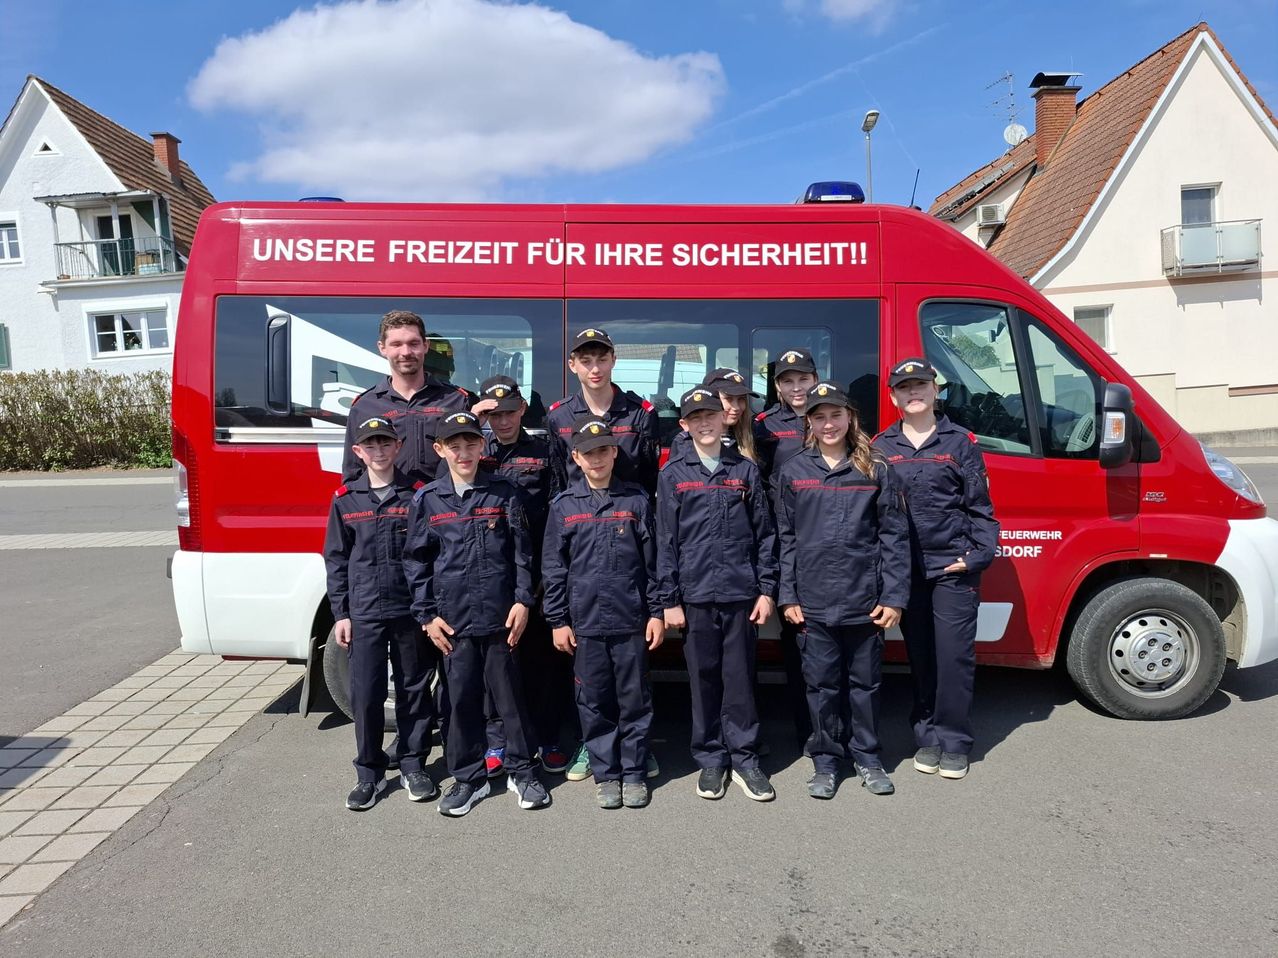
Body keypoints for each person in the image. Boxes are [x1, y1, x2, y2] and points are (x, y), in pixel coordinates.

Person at [403, 411, 550, 816]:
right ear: (440, 450)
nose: (464, 452)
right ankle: (468, 779)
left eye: (471, 444)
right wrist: (426, 616)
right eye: (455, 446)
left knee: (511, 700)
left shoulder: (504, 493)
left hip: (502, 618)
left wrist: (523, 601)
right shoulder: (428, 500)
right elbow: (417, 562)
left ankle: (524, 772)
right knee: (461, 701)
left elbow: (523, 553)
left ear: (482, 446)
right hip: (453, 623)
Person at [776, 382, 910, 800]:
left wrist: (893, 597)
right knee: (821, 687)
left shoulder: (876, 469)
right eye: (819, 417)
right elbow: (785, 538)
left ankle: (868, 758)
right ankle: (826, 761)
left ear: (850, 417)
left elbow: (894, 537)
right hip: (812, 602)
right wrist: (788, 595)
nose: (828, 423)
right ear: (809, 424)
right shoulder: (793, 471)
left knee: (865, 685)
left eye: (835, 414)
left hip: (864, 600)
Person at [873, 358, 999, 781]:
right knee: (920, 657)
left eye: (921, 385)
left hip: (952, 568)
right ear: (893, 396)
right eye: (905, 387)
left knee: (954, 658)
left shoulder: (961, 442)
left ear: (935, 390)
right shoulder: (881, 446)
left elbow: (981, 508)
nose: (914, 393)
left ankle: (955, 741)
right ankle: (926, 736)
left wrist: (978, 555)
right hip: (906, 572)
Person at [658, 387, 778, 801]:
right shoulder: (672, 475)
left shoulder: (744, 472)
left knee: (740, 679)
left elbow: (766, 536)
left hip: (741, 594)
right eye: (697, 417)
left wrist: (766, 590)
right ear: (684, 425)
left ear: (724, 419)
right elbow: (665, 543)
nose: (706, 422)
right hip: (694, 598)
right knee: (704, 679)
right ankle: (711, 759)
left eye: (712, 414)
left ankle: (745, 759)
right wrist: (669, 600)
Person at [542, 416, 664, 810]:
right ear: (575, 457)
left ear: (614, 452)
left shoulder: (636, 501)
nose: (596, 459)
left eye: (603, 451)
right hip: (585, 623)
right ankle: (607, 774)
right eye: (587, 453)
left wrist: (657, 613)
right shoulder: (563, 507)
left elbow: (654, 565)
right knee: (593, 702)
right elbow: (553, 569)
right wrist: (558, 620)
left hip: (631, 621)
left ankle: (632, 773)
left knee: (635, 700)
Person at [322, 416, 439, 811]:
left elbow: (428, 555)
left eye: (385, 444)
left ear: (398, 446)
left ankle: (412, 764)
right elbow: (336, 559)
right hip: (365, 613)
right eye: (370, 445)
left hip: (408, 609)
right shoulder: (345, 498)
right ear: (358, 451)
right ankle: (369, 774)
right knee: (367, 695)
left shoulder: (417, 495)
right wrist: (341, 613)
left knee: (413, 690)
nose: (378, 451)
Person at [472, 375, 573, 776]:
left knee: (543, 663)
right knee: (496, 665)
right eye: (493, 414)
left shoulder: (546, 451)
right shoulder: (474, 451)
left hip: (538, 575)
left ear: (521, 410)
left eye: (509, 411)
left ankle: (547, 738)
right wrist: (470, 417)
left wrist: (549, 574)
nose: (502, 420)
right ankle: (498, 740)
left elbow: (558, 511)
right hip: (491, 574)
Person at [753, 347, 820, 748]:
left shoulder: (832, 418)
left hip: (827, 542)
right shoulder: (764, 427)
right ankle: (805, 727)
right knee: (796, 636)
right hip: (786, 542)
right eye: (787, 380)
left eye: (803, 378)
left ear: (815, 378)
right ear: (777, 387)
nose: (797, 387)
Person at [341, 310, 471, 485]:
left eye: (413, 343)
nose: (406, 352)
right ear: (382, 348)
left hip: (445, 508)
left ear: (425, 346)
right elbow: (354, 474)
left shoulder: (456, 399)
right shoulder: (364, 406)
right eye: (396, 344)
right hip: (390, 509)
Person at [547, 327, 659, 497]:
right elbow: (558, 479)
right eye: (586, 361)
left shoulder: (640, 414)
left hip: (629, 515)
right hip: (579, 518)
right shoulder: (559, 416)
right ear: (572, 365)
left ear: (613, 360)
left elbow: (650, 478)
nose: (595, 369)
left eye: (602, 360)